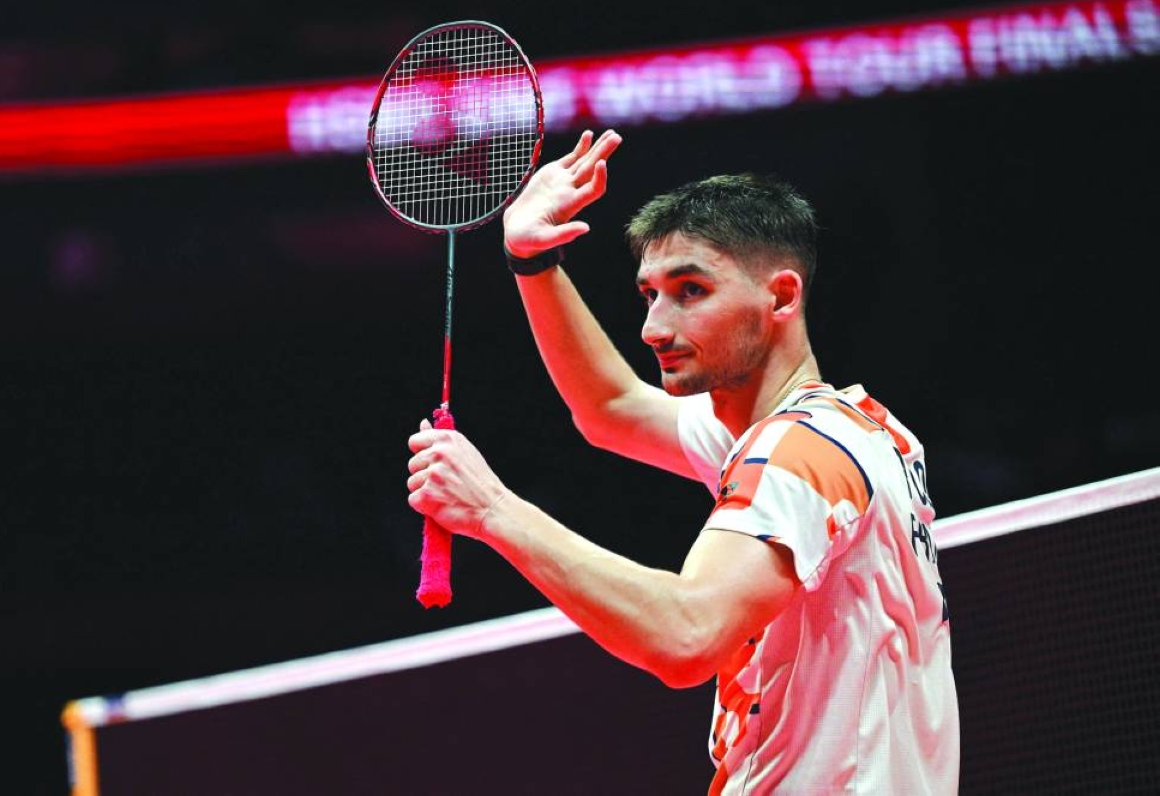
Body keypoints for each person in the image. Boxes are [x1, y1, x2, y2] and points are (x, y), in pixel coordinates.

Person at [407, 129, 959, 794]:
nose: (653, 328)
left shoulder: (799, 453)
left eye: (690, 290)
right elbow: (610, 406)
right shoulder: (858, 431)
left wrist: (492, 510)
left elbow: (687, 634)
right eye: (649, 295)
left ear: (781, 297)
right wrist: (532, 259)